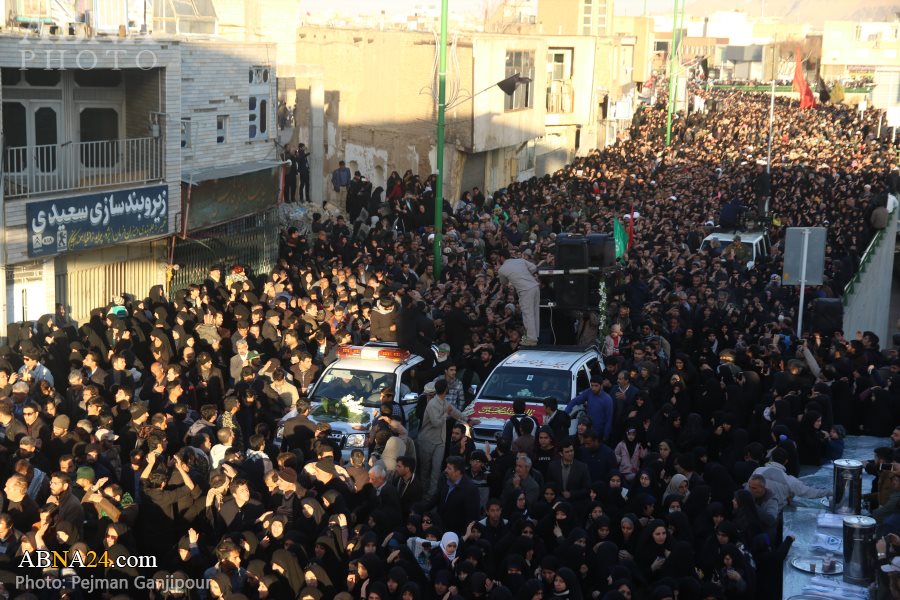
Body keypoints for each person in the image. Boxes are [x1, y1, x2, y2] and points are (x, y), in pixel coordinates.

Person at [497, 250, 541, 346]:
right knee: (535, 312)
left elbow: (503, 283)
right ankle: (535, 336)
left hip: (525, 290)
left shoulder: (502, 269)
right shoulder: (520, 260)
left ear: (501, 257)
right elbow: (534, 268)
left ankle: (531, 339)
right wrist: (525, 275)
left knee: (528, 314)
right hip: (535, 287)